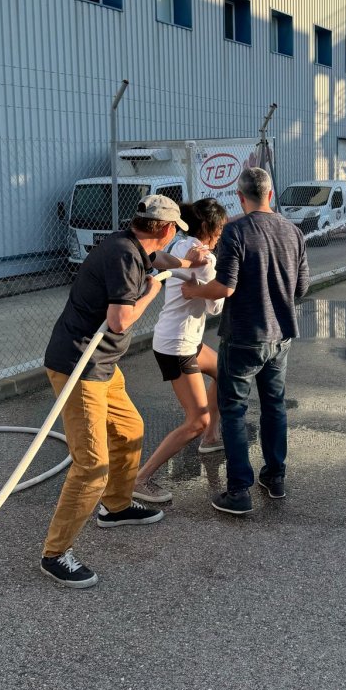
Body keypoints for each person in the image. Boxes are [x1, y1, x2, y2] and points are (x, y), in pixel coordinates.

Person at [40, 194, 208, 588]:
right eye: (174, 234)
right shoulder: (124, 256)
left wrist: (188, 265)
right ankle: (54, 554)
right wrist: (151, 291)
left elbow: (160, 262)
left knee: (130, 428)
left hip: (101, 366)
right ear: (166, 229)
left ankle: (115, 507)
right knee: (92, 465)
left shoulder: (131, 245)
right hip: (79, 368)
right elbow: (118, 320)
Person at [181, 166, 309, 515]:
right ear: (270, 193)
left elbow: (225, 287)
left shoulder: (235, 231)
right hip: (281, 335)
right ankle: (275, 477)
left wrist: (193, 289)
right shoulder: (293, 231)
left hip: (243, 337)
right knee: (274, 406)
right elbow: (301, 288)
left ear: (240, 196)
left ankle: (239, 491)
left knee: (235, 411)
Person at [133, 198, 229, 504]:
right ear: (208, 227)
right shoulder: (206, 258)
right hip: (178, 344)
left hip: (179, 337)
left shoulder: (180, 244)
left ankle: (211, 438)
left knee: (223, 370)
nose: (221, 234)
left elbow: (182, 276)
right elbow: (215, 306)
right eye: (220, 228)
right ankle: (141, 478)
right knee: (195, 420)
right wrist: (211, 282)